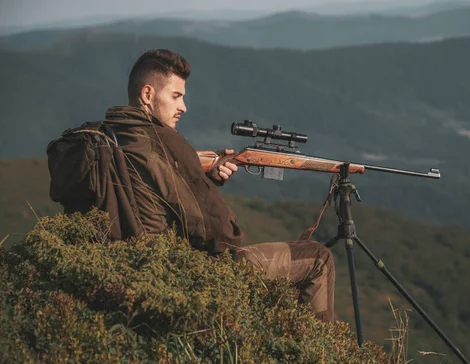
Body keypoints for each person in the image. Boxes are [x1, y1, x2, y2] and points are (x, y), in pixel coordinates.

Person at [103, 49, 335, 322]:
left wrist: (201, 173)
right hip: (185, 274)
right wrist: (197, 177)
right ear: (147, 95)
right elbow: (223, 236)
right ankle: (322, 352)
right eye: (176, 96)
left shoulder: (113, 133)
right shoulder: (166, 144)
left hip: (133, 268)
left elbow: (157, 189)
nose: (183, 107)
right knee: (318, 258)